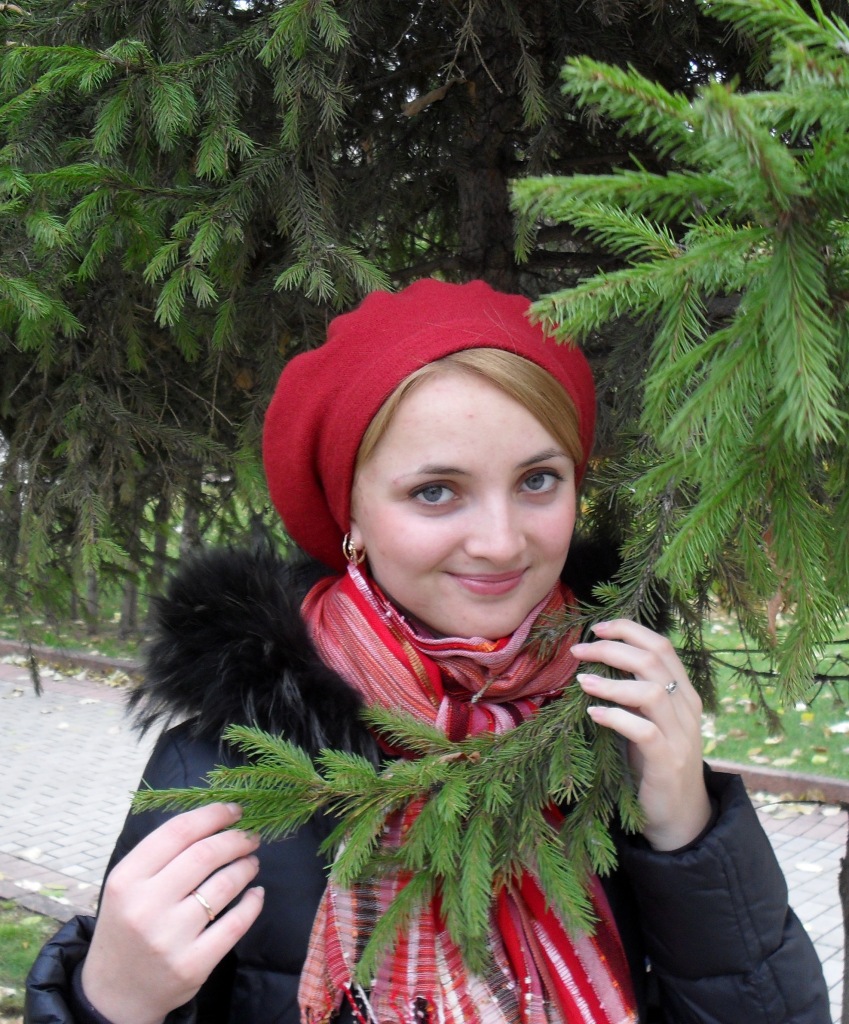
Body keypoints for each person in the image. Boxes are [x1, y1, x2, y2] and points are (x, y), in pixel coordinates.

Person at [26, 279, 829, 1024]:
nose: (500, 541)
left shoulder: (618, 729)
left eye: (537, 480)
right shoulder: (225, 768)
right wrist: (112, 1001)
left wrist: (688, 829)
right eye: (435, 491)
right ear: (351, 517)